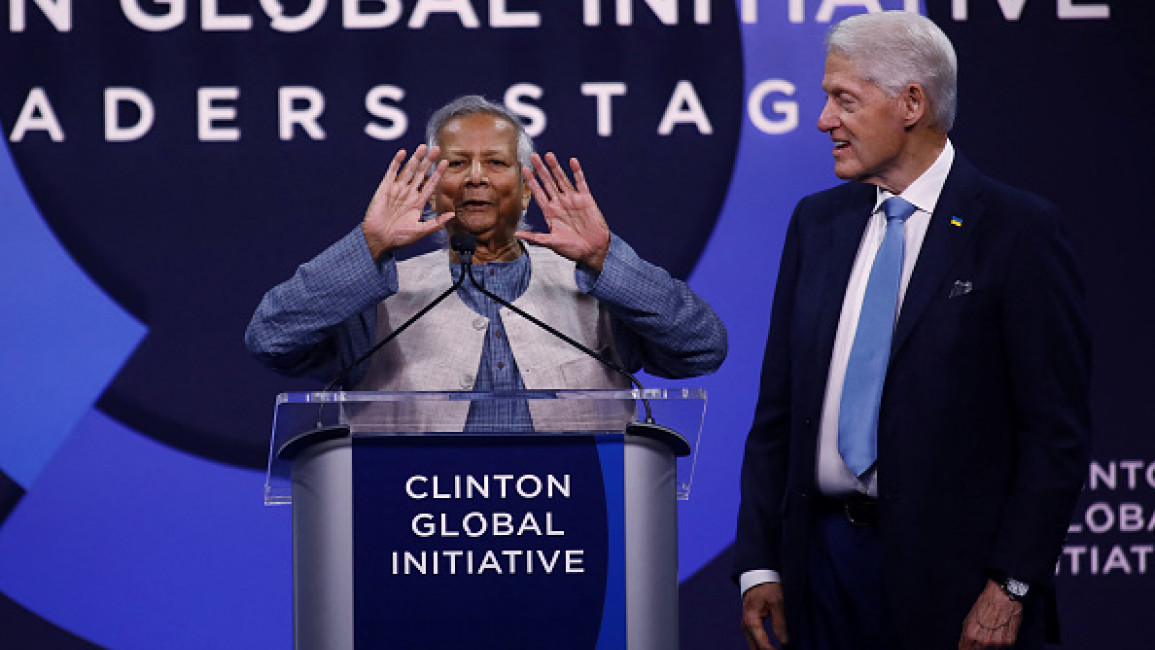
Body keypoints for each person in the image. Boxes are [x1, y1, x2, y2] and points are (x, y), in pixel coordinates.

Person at [733, 11, 1090, 650]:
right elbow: (779, 413)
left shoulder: (1016, 231)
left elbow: (1053, 435)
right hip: (822, 570)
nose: (824, 121)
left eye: (843, 99)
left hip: (956, 586)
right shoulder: (817, 223)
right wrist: (761, 564)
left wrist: (1010, 586)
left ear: (912, 103)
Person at [245, 95, 726, 429]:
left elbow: (702, 347)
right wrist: (368, 245)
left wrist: (606, 260)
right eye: (456, 164)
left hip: (573, 543)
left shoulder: (594, 285)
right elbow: (270, 338)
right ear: (430, 186)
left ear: (524, 190)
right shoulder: (379, 292)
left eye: (496, 163)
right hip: (414, 548)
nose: (476, 177)